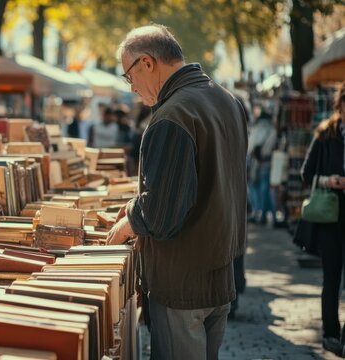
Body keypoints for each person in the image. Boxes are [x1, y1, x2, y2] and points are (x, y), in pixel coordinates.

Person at [106, 24, 248, 360]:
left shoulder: (173, 114)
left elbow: (162, 214)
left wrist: (128, 220)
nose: (133, 89)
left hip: (182, 281)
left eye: (129, 76)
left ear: (147, 63)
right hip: (219, 271)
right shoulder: (225, 99)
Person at [300, 82, 345, 356]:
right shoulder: (325, 135)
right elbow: (306, 174)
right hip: (330, 217)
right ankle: (330, 333)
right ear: (339, 105)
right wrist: (329, 180)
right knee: (331, 278)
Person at [247, 107, 277, 225]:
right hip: (267, 162)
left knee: (255, 187)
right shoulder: (272, 130)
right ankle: (264, 214)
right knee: (265, 189)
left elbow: (249, 147)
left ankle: (257, 212)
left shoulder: (256, 129)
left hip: (256, 162)